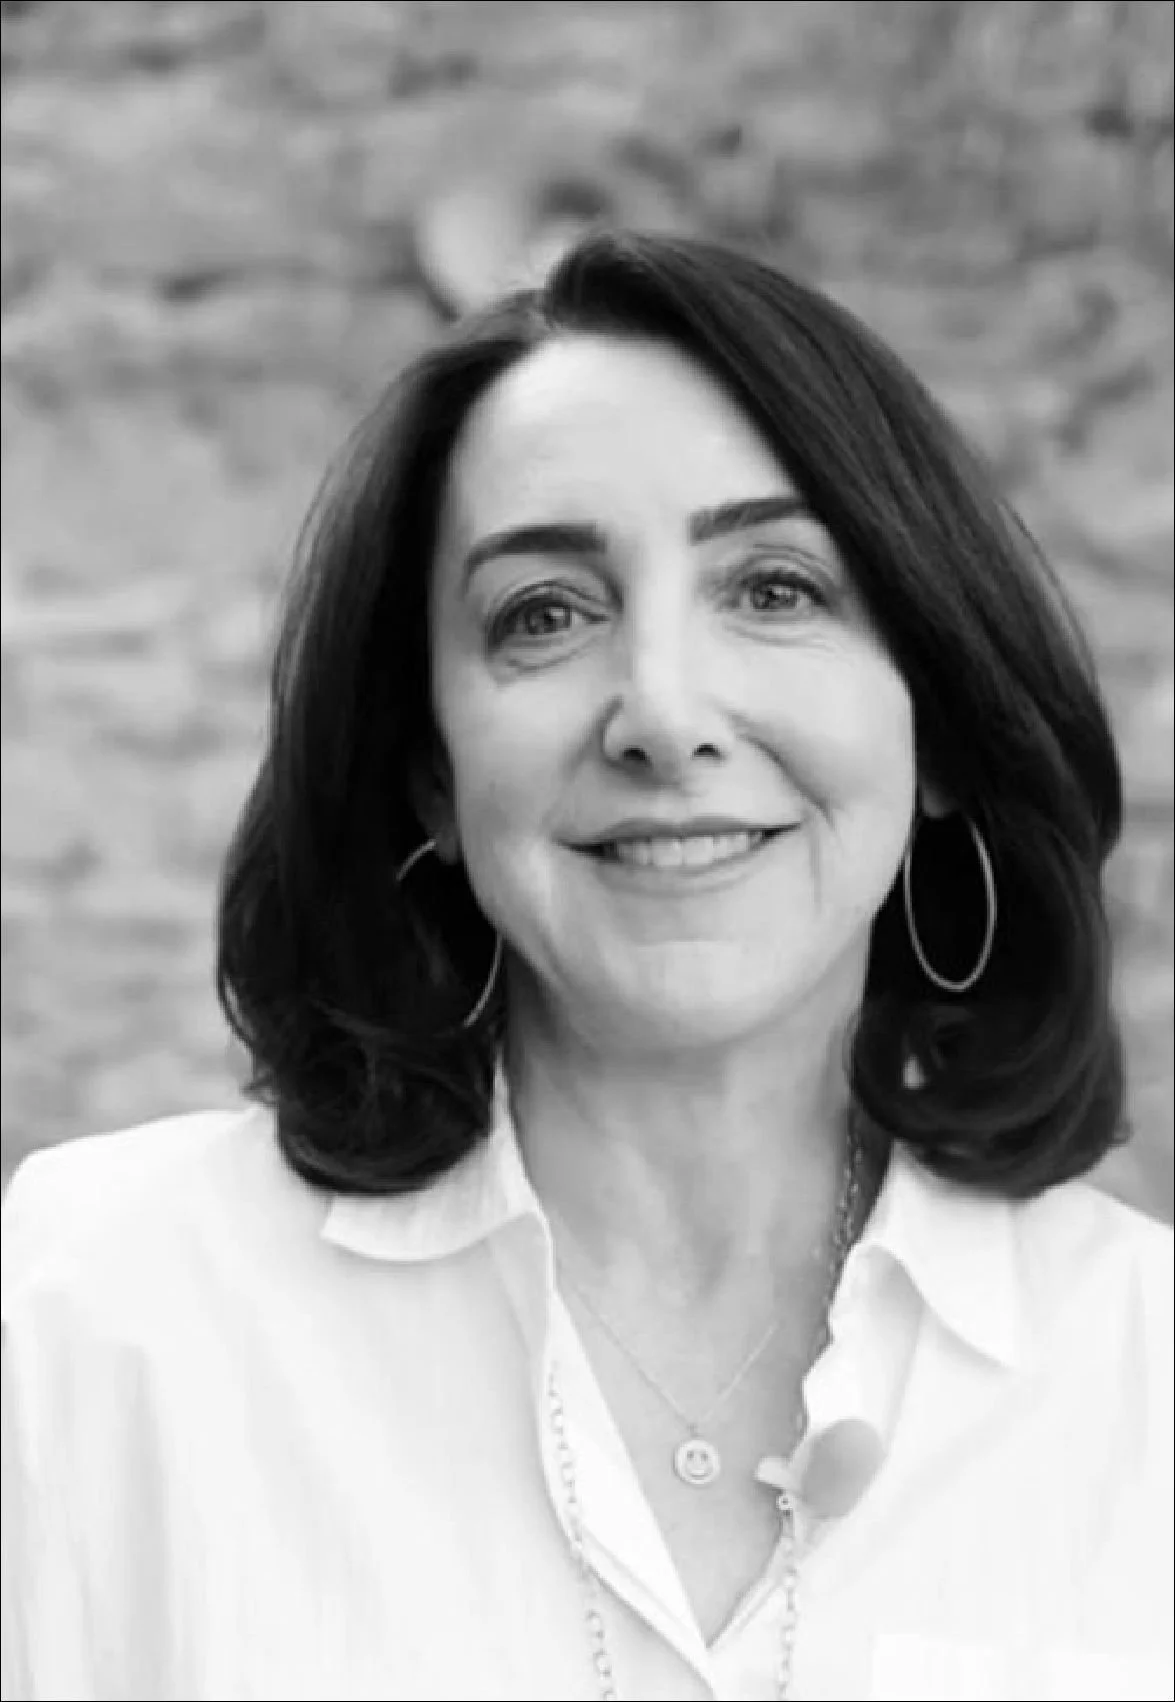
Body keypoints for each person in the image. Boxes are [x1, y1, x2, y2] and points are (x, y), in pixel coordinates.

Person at [2, 228, 1171, 1702]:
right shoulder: (105, 1314)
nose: (663, 713)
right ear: (429, 771)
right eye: (543, 614)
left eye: (775, 589)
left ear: (933, 723)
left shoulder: (1146, 1382)